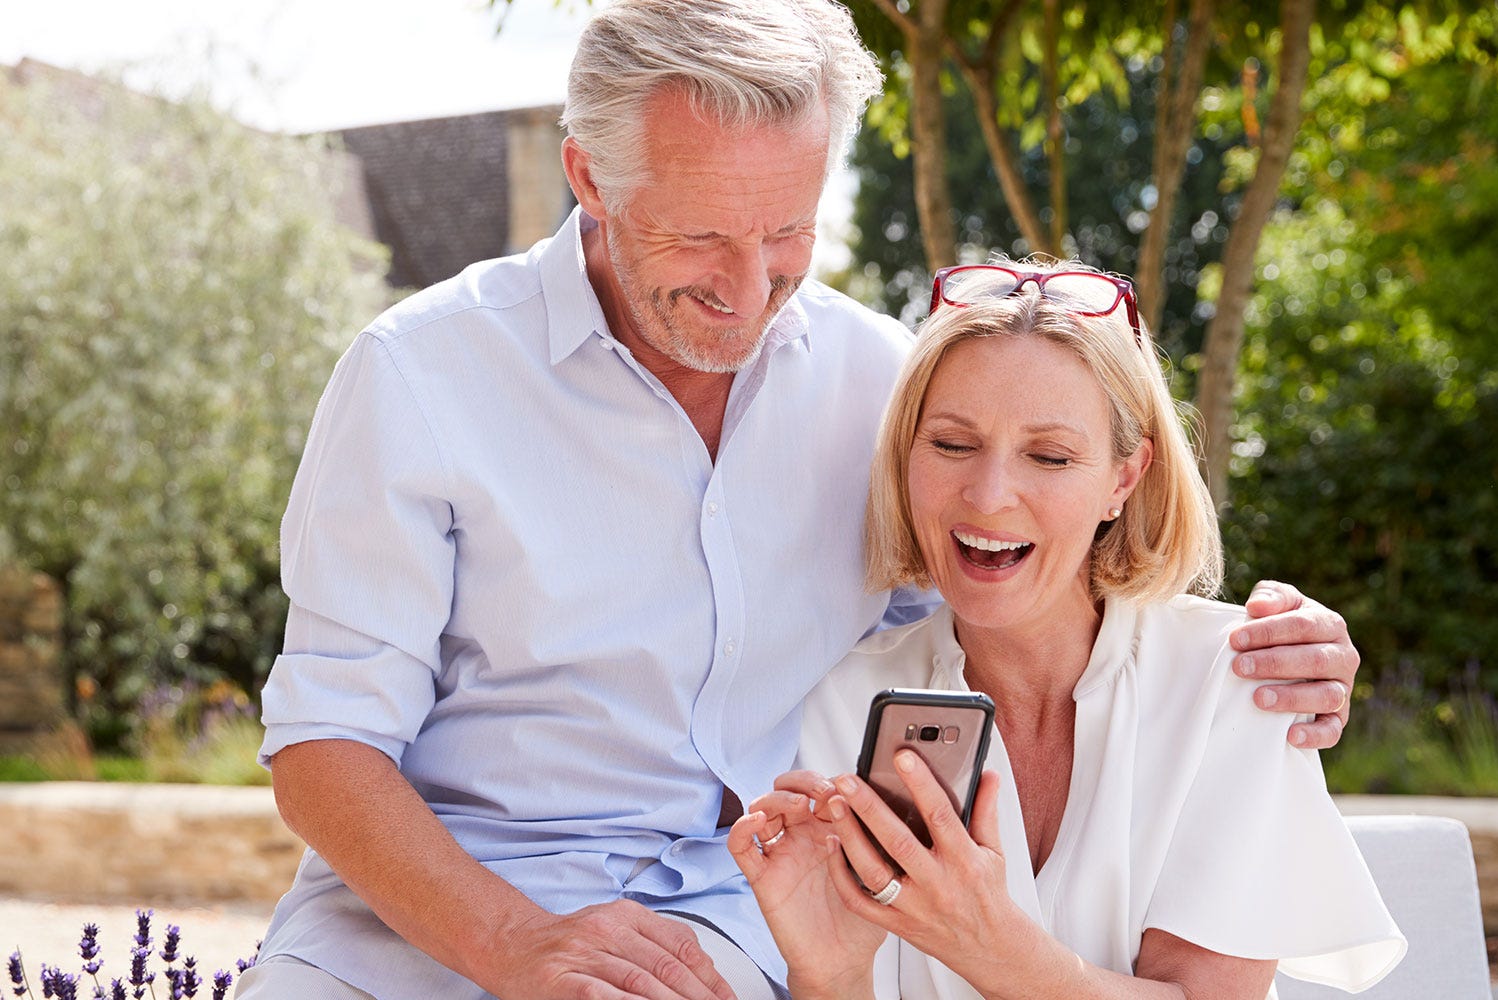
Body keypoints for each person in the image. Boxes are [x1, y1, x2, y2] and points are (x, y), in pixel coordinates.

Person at [240, 3, 1364, 999]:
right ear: (589, 176)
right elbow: (325, 742)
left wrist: (1276, 648)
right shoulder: (420, 374)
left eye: (786, 231)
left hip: (723, 923)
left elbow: (1018, 572)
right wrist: (519, 948)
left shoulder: (881, 385)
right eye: (698, 236)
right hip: (416, 922)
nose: (746, 291)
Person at [729, 265, 1406, 1000]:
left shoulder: (1232, 682)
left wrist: (994, 950)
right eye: (953, 445)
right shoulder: (850, 700)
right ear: (906, 455)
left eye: (1049, 457)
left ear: (1124, 478)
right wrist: (829, 975)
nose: (988, 497)